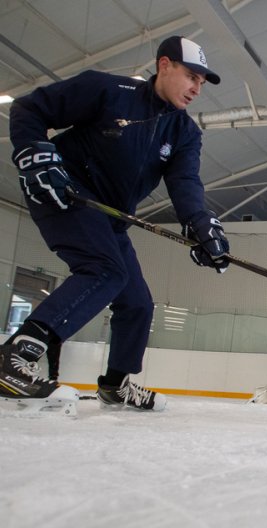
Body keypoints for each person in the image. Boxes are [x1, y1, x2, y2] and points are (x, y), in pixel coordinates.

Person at [1, 36, 229, 412]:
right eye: (191, 76)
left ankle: (115, 384)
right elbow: (30, 108)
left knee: (137, 302)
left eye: (202, 82)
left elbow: (185, 181)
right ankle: (14, 356)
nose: (196, 88)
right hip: (66, 192)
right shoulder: (107, 90)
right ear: (165, 65)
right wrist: (34, 152)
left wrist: (201, 223)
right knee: (105, 271)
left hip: (110, 216)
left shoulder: (185, 132)